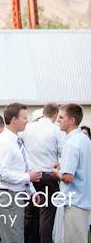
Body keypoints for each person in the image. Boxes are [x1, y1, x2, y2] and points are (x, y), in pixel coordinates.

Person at [0, 103, 42, 243]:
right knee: (13, 239)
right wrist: (29, 177)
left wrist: (32, 191)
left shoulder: (16, 140)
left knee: (16, 237)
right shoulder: (5, 142)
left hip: (16, 197)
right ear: (14, 120)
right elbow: (3, 173)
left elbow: (22, 168)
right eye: (24, 117)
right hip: (7, 198)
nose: (27, 121)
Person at [21, 102, 64, 243]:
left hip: (31, 176)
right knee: (47, 215)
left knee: (30, 214)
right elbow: (63, 153)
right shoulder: (55, 130)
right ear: (55, 114)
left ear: (43, 112)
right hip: (48, 176)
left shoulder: (28, 128)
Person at [52, 103, 91, 243]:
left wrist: (57, 173)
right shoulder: (85, 139)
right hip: (84, 199)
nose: (58, 120)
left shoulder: (71, 143)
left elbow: (68, 177)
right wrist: (63, 166)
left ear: (72, 121)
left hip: (74, 201)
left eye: (61, 117)